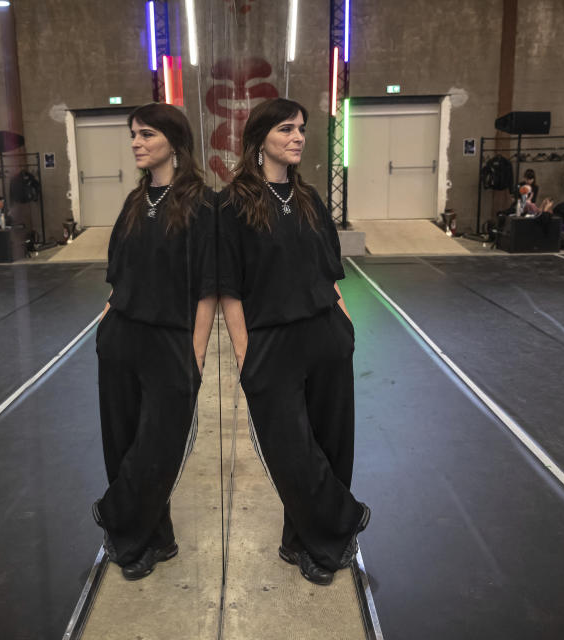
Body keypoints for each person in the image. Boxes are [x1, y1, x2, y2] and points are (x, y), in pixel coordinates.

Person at [217, 98, 369, 587]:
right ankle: (340, 522)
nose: (299, 137)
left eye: (302, 128)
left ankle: (305, 544)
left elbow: (330, 273)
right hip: (272, 344)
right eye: (287, 128)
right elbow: (228, 289)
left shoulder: (308, 199)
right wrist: (247, 355)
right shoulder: (233, 203)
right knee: (293, 452)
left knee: (332, 443)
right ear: (261, 138)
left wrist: (345, 328)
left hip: (325, 334)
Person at [92, 103, 217, 581]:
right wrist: (105, 325)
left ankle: (116, 518)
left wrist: (196, 354)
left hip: (171, 343)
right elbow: (117, 278)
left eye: (145, 134)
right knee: (122, 444)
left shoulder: (204, 206)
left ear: (173, 140)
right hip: (121, 337)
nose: (136, 143)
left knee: (156, 448)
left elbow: (209, 288)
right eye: (133, 135)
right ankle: (151, 540)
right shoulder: (132, 204)